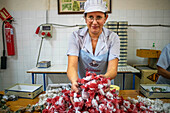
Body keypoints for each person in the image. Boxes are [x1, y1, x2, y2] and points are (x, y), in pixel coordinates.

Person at [67, 0, 120, 93]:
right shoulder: (76, 36)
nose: (94, 22)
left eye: (99, 17)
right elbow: (72, 66)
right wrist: (74, 82)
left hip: (103, 87)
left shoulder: (113, 38)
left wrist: (102, 80)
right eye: (90, 17)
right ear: (85, 18)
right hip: (82, 87)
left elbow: (112, 69)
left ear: (105, 18)